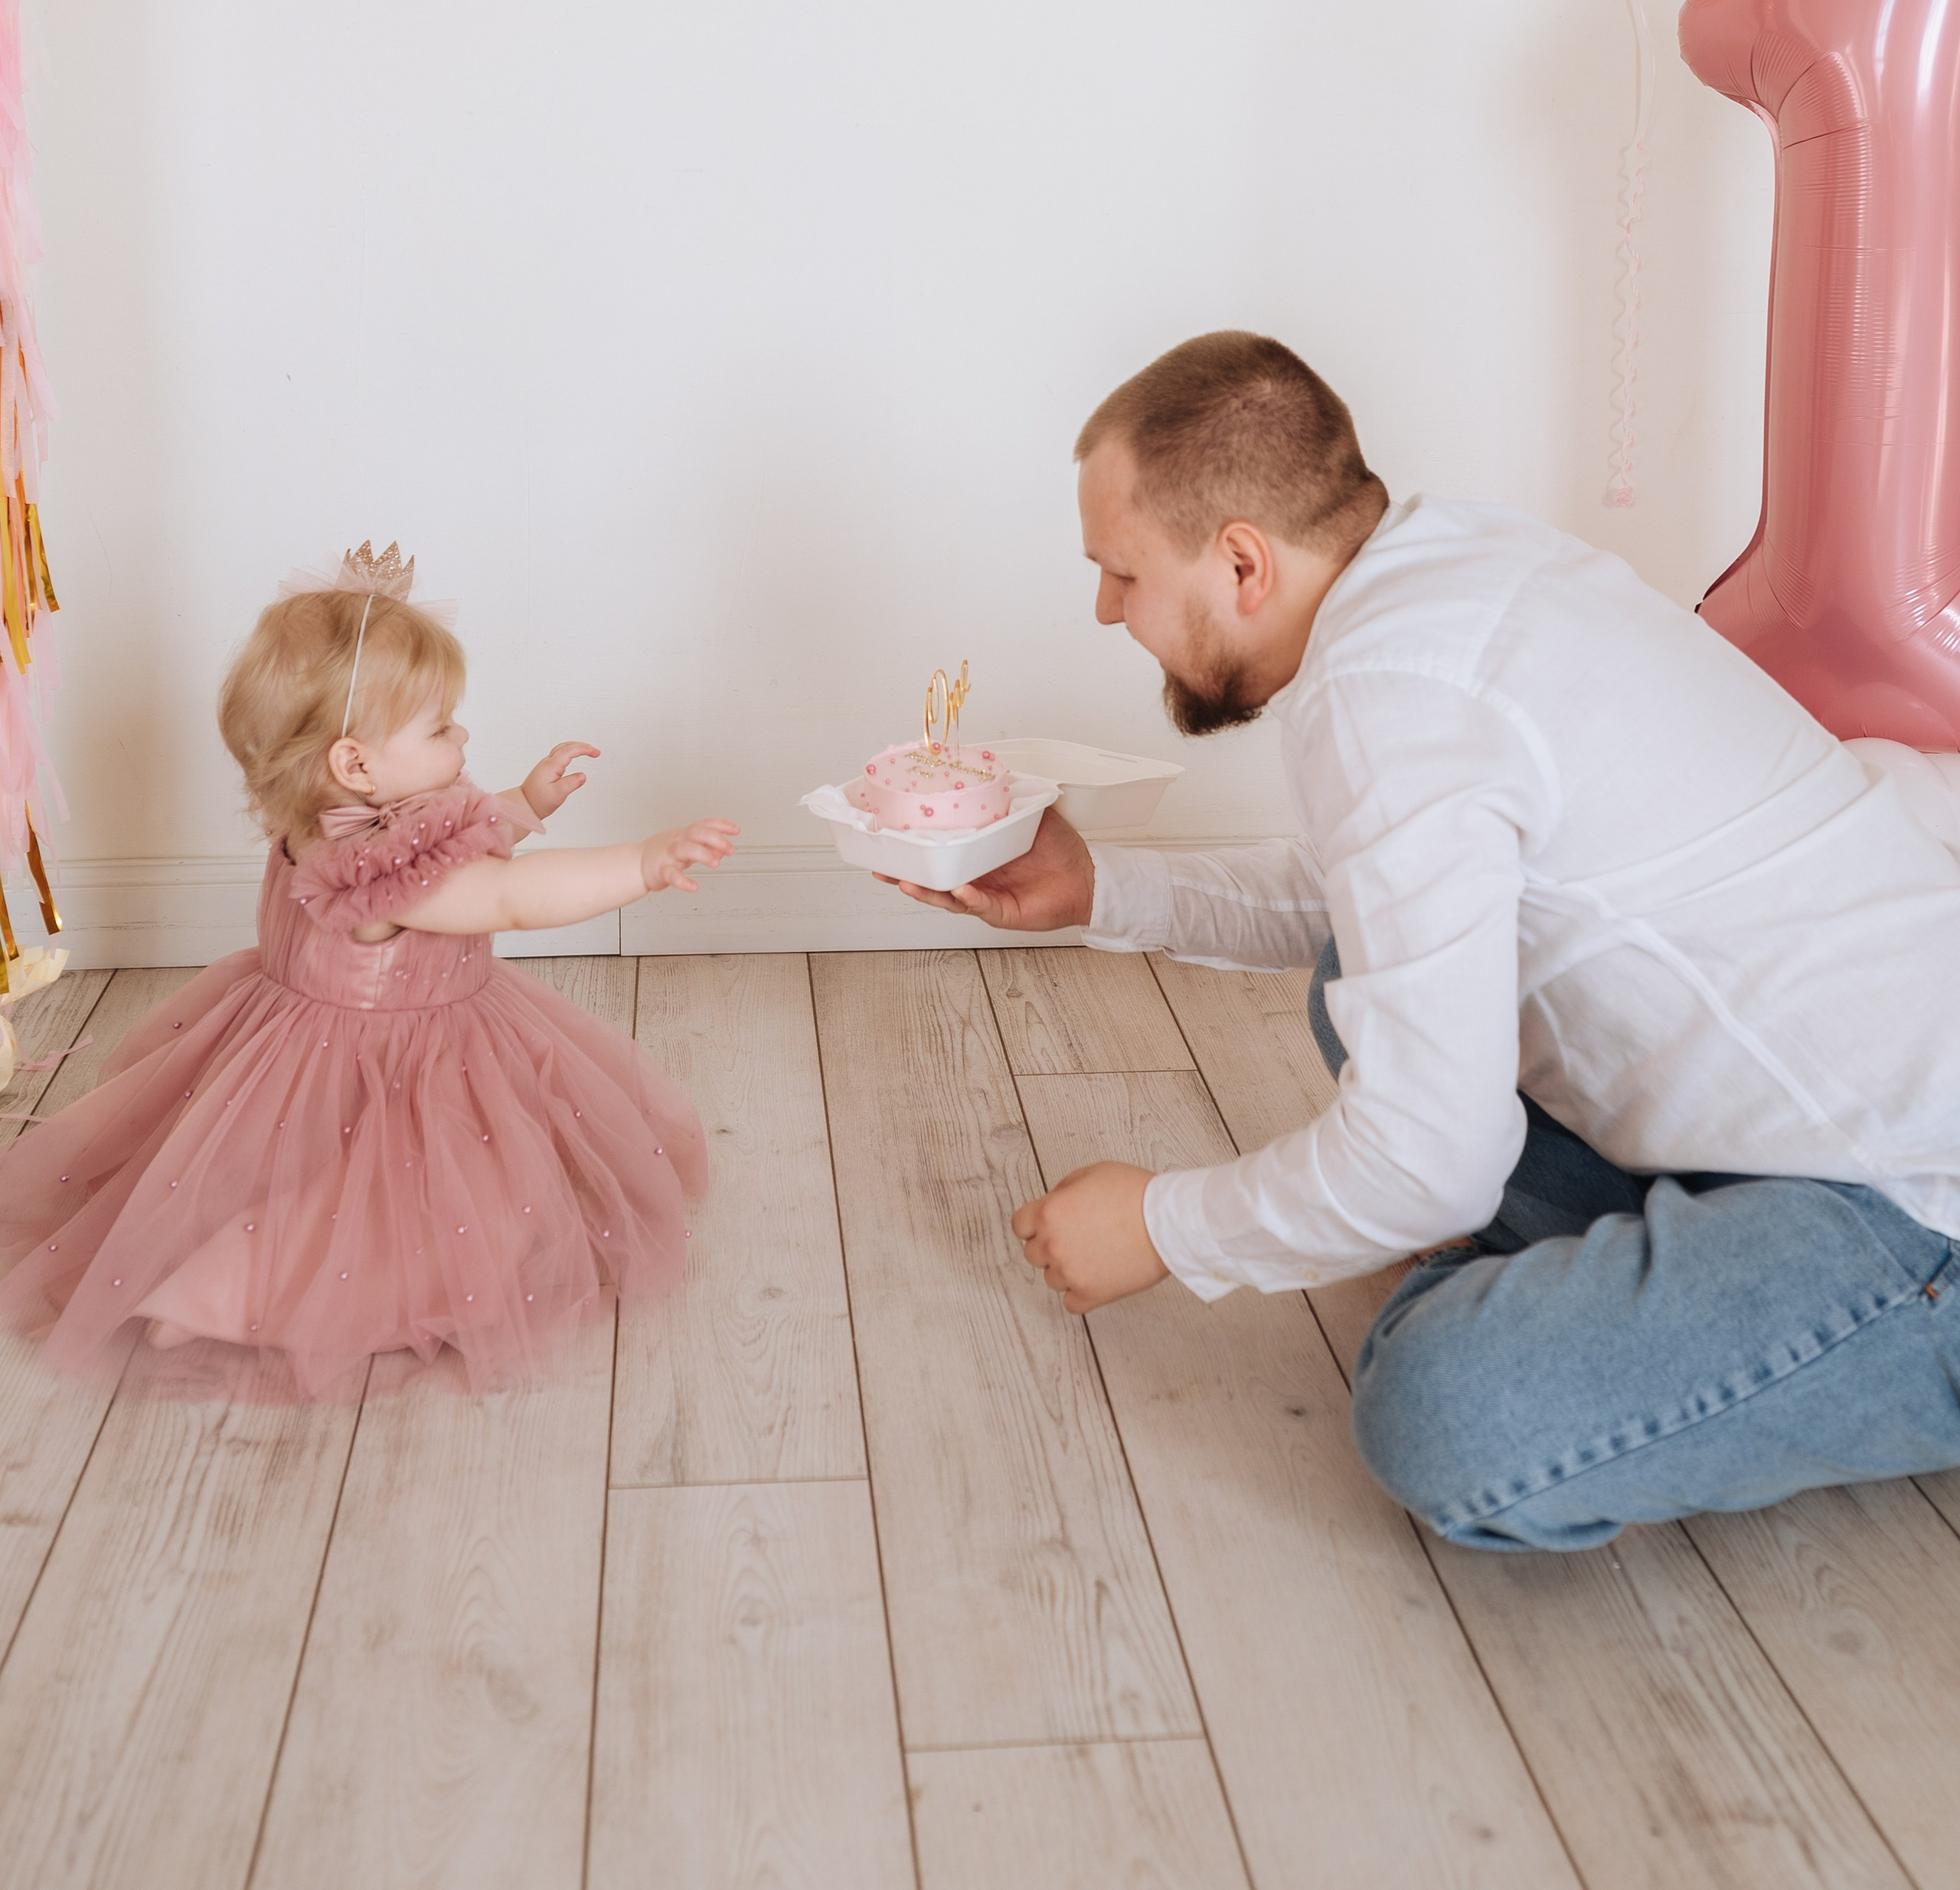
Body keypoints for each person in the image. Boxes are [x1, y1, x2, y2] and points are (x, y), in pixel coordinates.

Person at [916, 333, 1960, 1552]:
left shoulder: (1392, 694)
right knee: (1356, 976)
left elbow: (1432, 1163)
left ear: (1242, 561)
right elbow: (1365, 894)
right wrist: (1102, 890)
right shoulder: (1455, 569)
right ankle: (1630, 1300)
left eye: (1124, 575)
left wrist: (1163, 1226)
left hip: (1912, 1203)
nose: (1105, 609)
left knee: (1444, 1414)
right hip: (1799, 1114)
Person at [0, 547, 737, 1398]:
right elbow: (509, 895)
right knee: (414, 1208)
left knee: (305, 1173)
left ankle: (227, 1267)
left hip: (295, 1047)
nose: (463, 736)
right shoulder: (381, 876)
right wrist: (640, 861)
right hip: (392, 1065)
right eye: (441, 727)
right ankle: (228, 1293)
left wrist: (522, 804)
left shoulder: (334, 826)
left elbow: (447, 833)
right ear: (354, 762)